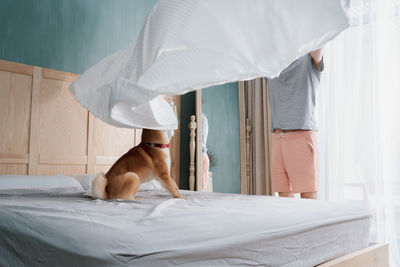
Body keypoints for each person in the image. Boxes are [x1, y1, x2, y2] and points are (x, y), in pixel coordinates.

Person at [266, 48, 324, 199]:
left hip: (301, 136)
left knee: (308, 201)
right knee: (285, 202)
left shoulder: (309, 57)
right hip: (278, 138)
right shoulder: (270, 64)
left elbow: (320, 38)